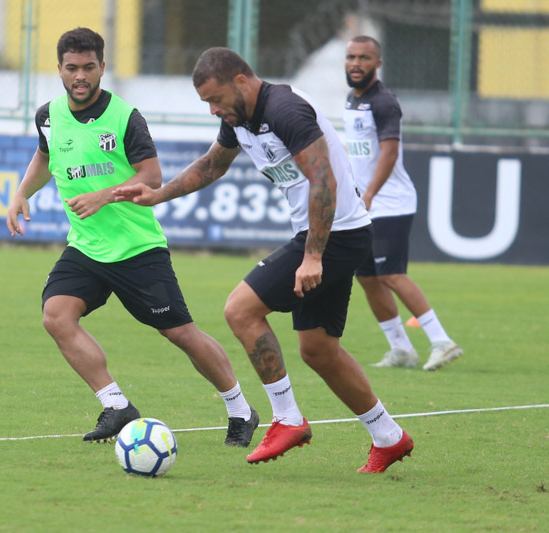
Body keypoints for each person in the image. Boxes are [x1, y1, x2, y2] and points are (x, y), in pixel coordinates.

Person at [115, 47, 413, 473]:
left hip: (335, 235)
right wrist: (158, 194)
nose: (215, 110)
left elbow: (323, 179)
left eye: (216, 100)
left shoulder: (286, 110)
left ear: (241, 81)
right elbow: (213, 165)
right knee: (319, 350)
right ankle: (389, 437)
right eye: (207, 105)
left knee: (240, 309)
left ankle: (287, 419)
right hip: (330, 235)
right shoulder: (239, 119)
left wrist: (312, 256)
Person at [6, 28, 258, 447]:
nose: (80, 76)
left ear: (102, 67)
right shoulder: (48, 116)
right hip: (86, 247)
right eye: (72, 68)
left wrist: (105, 196)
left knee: (180, 333)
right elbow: (45, 156)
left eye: (89, 67)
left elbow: (152, 176)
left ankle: (240, 409)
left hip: (137, 248)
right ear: (60, 70)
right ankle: (117, 406)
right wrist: (20, 193)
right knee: (56, 316)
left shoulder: (125, 117)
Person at [343, 35, 463, 371]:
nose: (356, 63)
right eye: (351, 57)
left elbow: (389, 152)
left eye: (364, 58)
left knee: (392, 274)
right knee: (367, 277)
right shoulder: (352, 99)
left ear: (378, 63)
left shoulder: (384, 102)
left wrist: (369, 194)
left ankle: (442, 341)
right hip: (364, 204)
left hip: (389, 203)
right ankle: (401, 348)